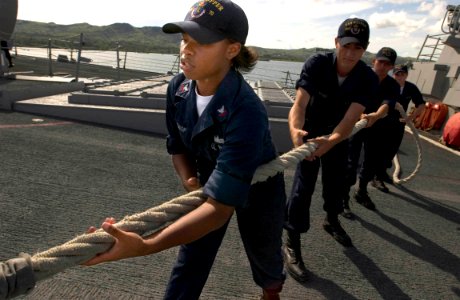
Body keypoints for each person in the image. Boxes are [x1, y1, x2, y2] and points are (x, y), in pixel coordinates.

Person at [84, 1, 286, 299]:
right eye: (184, 39)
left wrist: (148, 245)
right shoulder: (178, 89)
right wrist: (190, 180)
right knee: (191, 258)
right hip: (208, 180)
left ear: (232, 50)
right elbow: (177, 145)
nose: (186, 50)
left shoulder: (247, 111)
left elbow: (218, 210)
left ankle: (271, 293)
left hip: (260, 187)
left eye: (200, 42)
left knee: (265, 253)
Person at [283, 18, 378, 282]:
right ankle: (291, 240)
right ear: (336, 43)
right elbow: (300, 105)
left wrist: (332, 141)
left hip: (338, 137)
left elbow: (350, 120)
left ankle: (331, 219)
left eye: (357, 48)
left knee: (338, 183)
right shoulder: (317, 64)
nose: (350, 53)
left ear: (365, 49)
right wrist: (295, 132)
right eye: (346, 45)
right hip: (310, 134)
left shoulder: (367, 78)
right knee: (303, 188)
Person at [343, 47, 399, 217]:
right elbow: (352, 98)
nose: (382, 66)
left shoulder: (392, 85)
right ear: (374, 61)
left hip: (377, 126)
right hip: (356, 124)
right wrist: (361, 114)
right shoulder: (361, 76)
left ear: (391, 67)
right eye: (380, 61)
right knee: (351, 162)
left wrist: (375, 115)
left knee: (371, 161)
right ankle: (343, 198)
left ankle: (361, 191)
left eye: (387, 63)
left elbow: (387, 104)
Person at [374, 64, 425, 183]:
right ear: (394, 74)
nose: (399, 77)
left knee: (392, 148)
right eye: (397, 74)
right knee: (378, 147)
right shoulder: (387, 84)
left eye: (402, 74)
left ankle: (382, 172)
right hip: (382, 121)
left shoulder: (410, 88)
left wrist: (410, 117)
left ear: (406, 75)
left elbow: (421, 104)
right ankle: (375, 174)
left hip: (398, 123)